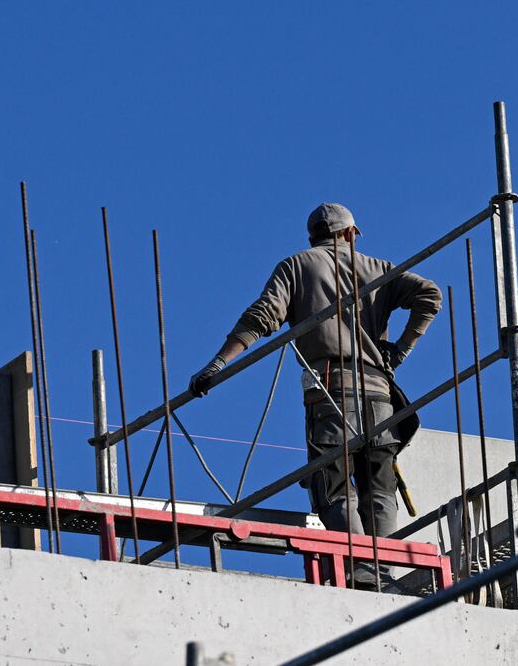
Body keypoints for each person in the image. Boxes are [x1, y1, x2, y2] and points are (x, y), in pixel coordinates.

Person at [188, 202, 441, 588]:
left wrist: (218, 364)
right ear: (350, 234)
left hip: (330, 391)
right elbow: (430, 295)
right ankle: (385, 573)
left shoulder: (297, 266)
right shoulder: (378, 269)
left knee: (332, 486)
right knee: (379, 486)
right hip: (379, 393)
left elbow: (261, 317)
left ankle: (360, 570)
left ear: (314, 237)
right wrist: (401, 350)